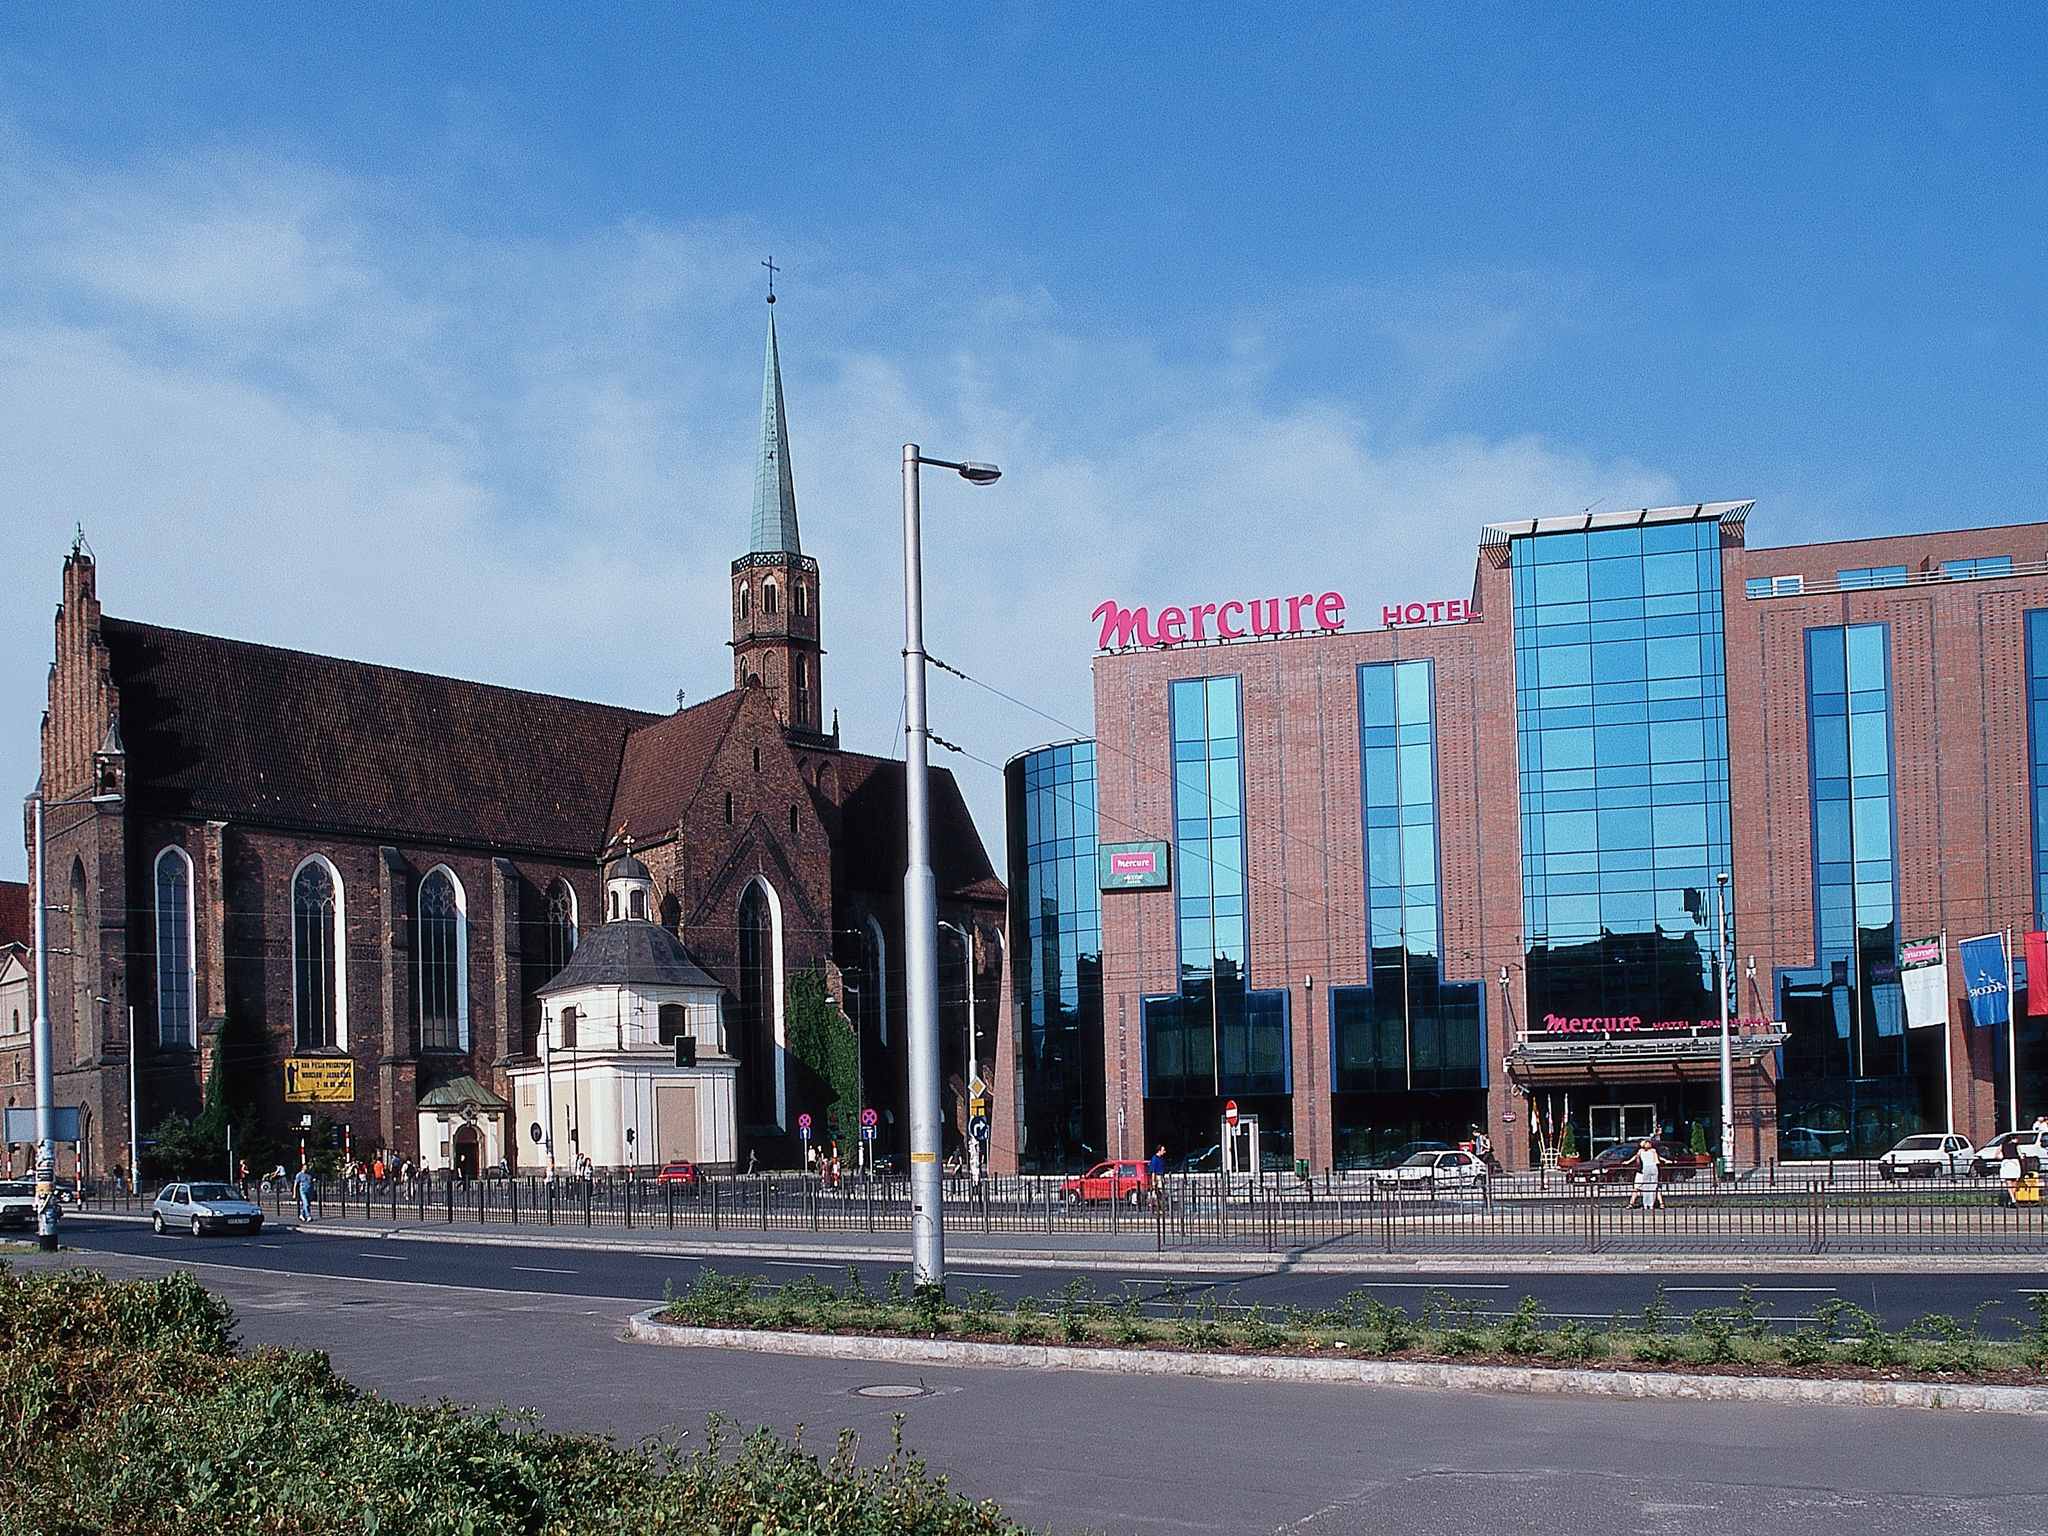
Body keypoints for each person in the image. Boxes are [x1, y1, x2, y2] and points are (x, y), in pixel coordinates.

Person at [1628, 1137, 1661, 1210]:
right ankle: (1647, 1204)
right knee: (1649, 1187)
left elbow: (1657, 1159)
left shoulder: (1651, 1151)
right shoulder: (1643, 1151)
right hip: (1647, 1168)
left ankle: (1649, 1204)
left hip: (1649, 1168)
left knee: (1651, 1186)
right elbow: (1657, 1160)